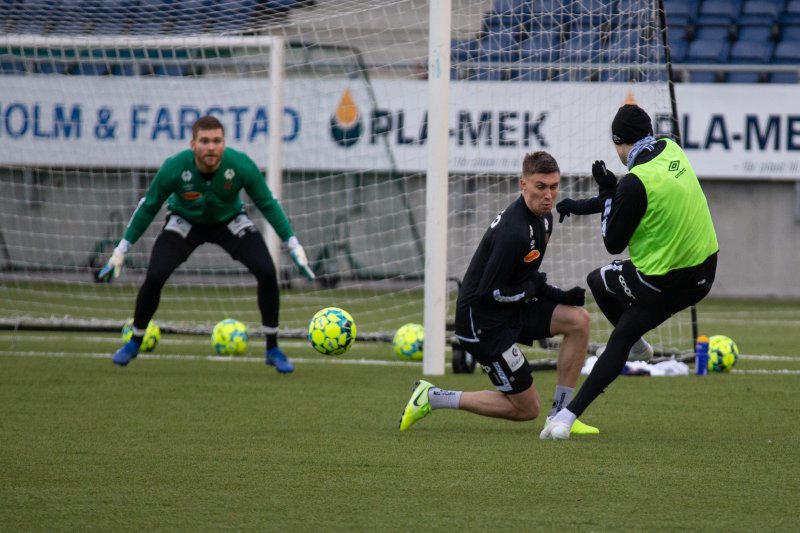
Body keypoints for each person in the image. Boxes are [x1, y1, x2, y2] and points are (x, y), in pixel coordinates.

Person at [540, 104, 719, 440]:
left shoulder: (635, 182)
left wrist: (608, 191)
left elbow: (613, 240)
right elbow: (628, 203)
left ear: (620, 143)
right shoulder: (671, 150)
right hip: (704, 273)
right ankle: (567, 417)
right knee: (622, 333)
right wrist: (582, 205)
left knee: (598, 281)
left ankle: (628, 351)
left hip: (663, 281)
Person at [399, 151, 599, 436]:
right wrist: (533, 289)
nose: (548, 195)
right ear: (523, 185)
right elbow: (490, 293)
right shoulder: (512, 232)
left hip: (509, 307)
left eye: (554, 186)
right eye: (540, 186)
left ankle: (561, 416)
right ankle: (432, 396)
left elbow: (528, 278)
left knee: (579, 321)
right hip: (481, 322)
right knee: (526, 409)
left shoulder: (545, 220)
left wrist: (560, 295)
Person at [98, 115, 314, 373]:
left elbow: (267, 202)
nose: (211, 147)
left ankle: (272, 348)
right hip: (185, 222)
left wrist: (293, 244)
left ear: (224, 143)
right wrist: (121, 250)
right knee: (155, 275)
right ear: (193, 144)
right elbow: (149, 206)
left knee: (267, 272)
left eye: (216, 141)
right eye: (205, 141)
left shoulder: (241, 165)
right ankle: (134, 341)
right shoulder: (175, 167)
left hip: (230, 221)